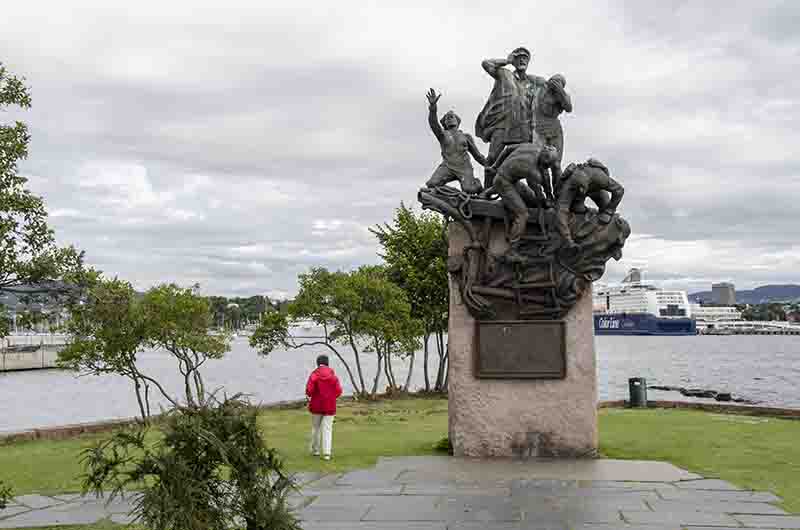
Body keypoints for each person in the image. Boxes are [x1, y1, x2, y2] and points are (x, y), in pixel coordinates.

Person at [475, 47, 547, 188]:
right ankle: (486, 191)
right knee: (492, 158)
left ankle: (541, 197)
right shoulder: (504, 73)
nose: (521, 60)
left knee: (530, 160)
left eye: (525, 58)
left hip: (523, 127)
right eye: (518, 57)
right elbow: (486, 63)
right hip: (503, 124)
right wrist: (507, 60)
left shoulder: (533, 83)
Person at [425, 88, 486, 195]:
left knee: (469, 190)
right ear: (445, 123)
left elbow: (477, 155)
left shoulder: (465, 136)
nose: (450, 119)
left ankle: (476, 184)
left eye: (452, 117)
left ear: (457, 121)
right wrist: (433, 108)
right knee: (432, 184)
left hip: (464, 167)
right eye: (447, 118)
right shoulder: (443, 135)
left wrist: (490, 164)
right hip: (447, 166)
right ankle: (455, 195)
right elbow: (433, 123)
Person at [305, 354, 343, 460]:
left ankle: (315, 450)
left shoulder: (314, 375)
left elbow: (309, 391)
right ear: (327, 363)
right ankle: (327, 453)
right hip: (329, 406)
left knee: (315, 428)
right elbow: (339, 391)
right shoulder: (333, 377)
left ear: (318, 363)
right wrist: (331, 397)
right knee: (327, 429)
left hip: (316, 405)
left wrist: (312, 396)